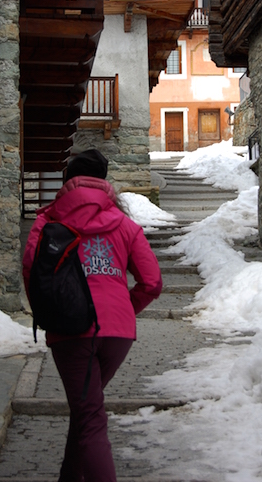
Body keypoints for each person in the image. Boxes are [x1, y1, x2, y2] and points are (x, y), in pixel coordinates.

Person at [22, 148, 162, 482]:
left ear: (67, 181)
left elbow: (30, 271)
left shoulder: (49, 220)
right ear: (104, 182)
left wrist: (48, 313)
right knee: (86, 411)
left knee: (89, 417)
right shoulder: (125, 225)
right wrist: (125, 308)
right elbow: (152, 282)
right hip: (117, 332)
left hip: (71, 331)